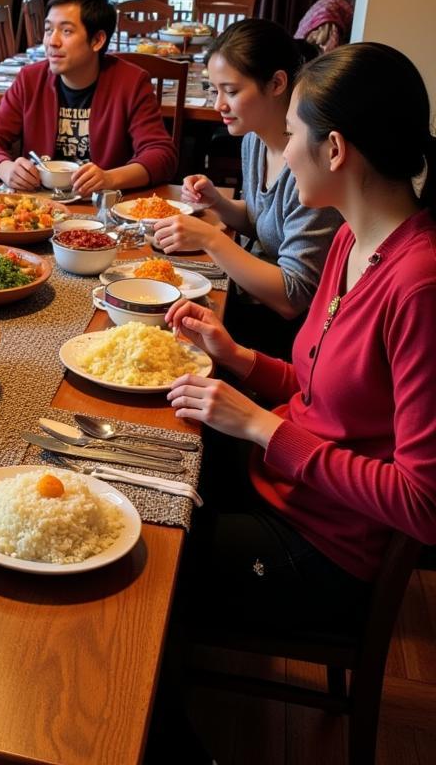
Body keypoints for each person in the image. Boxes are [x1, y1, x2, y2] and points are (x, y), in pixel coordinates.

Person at [164, 41, 436, 624]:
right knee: (145, 475)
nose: (283, 152)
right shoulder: (349, 239)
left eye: (290, 136)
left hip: (326, 544)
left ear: (334, 149)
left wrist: (261, 425)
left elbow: (422, 504)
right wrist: (237, 357)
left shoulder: (418, 285)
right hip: (283, 484)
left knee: (148, 566)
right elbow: (326, 396)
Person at [151, 19, 342, 358]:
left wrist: (210, 238)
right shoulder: (254, 139)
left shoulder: (311, 164)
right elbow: (263, 222)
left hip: (285, 336)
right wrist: (219, 203)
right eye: (214, 90)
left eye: (232, 91)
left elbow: (292, 297)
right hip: (249, 302)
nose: (218, 105)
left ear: (277, 83)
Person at [0, 0, 177, 195]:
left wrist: (110, 178)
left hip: (101, 209)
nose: (52, 42)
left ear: (97, 40)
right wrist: (5, 168)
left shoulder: (131, 82)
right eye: (49, 30)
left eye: (66, 31)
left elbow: (161, 154)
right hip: (39, 206)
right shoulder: (30, 79)